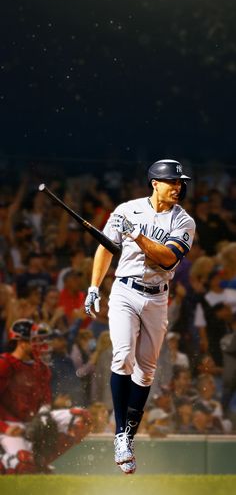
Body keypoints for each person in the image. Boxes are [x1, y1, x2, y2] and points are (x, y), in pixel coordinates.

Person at [85, 158, 195, 474]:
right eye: (172, 182)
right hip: (124, 291)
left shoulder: (184, 221)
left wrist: (136, 235)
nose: (178, 187)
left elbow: (165, 257)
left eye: (180, 182)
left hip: (158, 298)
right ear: (155, 183)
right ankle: (120, 435)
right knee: (122, 358)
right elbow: (106, 247)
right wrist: (94, 286)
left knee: (146, 372)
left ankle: (128, 437)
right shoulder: (126, 210)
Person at [0, 319, 91, 474]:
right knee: (23, 466)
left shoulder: (41, 367)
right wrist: (5, 427)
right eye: (35, 340)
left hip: (33, 421)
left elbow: (45, 399)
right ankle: (10, 461)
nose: (41, 344)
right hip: (10, 424)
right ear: (21, 342)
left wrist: (43, 412)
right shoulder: (5, 363)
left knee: (82, 418)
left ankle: (40, 463)